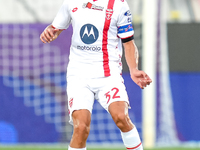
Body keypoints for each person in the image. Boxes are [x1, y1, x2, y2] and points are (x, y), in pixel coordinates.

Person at [40, 0, 152, 150]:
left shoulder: (119, 5)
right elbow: (56, 27)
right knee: (81, 128)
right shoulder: (71, 2)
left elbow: (128, 42)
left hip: (108, 75)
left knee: (121, 117)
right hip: (78, 75)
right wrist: (50, 31)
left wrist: (133, 69)